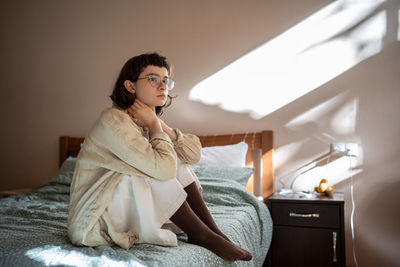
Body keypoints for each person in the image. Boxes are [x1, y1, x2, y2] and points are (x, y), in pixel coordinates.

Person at [67, 52, 252, 262]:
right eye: (153, 79)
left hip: (127, 211)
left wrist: (158, 124)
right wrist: (155, 125)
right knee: (154, 168)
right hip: (94, 219)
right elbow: (163, 170)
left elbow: (193, 155)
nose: (163, 86)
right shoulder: (113, 121)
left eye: (166, 80)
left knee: (177, 162)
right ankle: (202, 235)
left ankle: (212, 231)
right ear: (130, 86)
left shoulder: (145, 122)